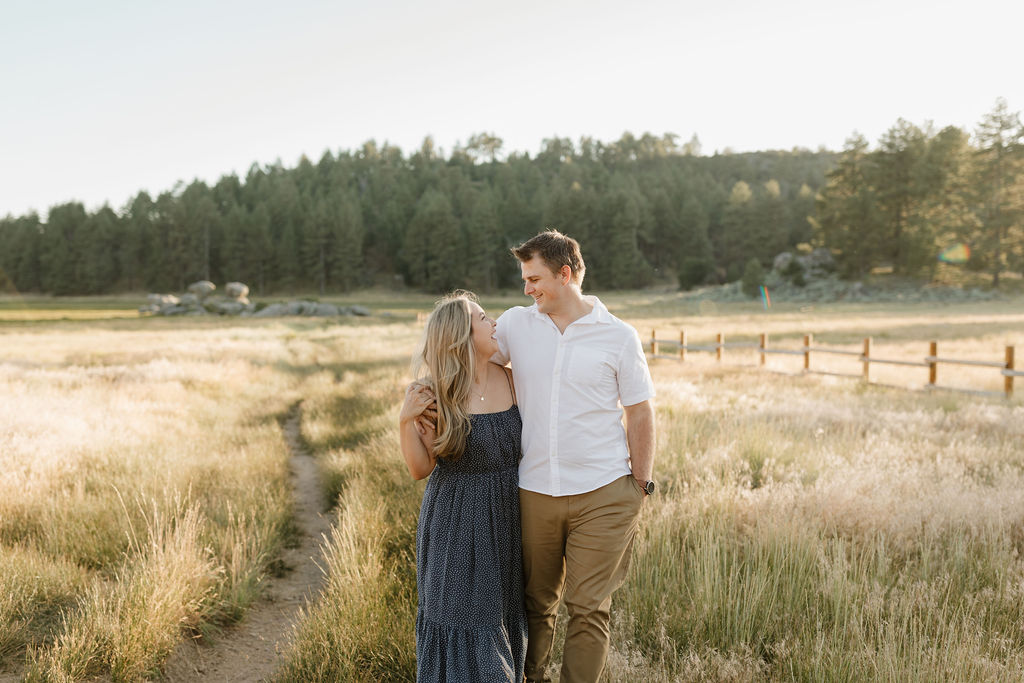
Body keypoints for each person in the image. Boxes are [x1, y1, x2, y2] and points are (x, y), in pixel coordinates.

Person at [493, 230, 657, 683]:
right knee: (535, 603)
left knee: (588, 609)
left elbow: (640, 411)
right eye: (524, 280)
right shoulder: (514, 325)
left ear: (565, 275)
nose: (527, 289)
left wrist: (639, 484)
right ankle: (531, 678)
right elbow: (474, 362)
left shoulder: (619, 336)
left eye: (534, 278)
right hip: (534, 491)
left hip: (605, 494)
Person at [399, 291, 527, 683]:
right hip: (456, 524)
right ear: (462, 338)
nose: (494, 323)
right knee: (467, 626)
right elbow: (420, 469)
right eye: (484, 318)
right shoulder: (437, 393)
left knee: (504, 621)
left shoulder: (513, 377)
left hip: (509, 519)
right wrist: (406, 421)